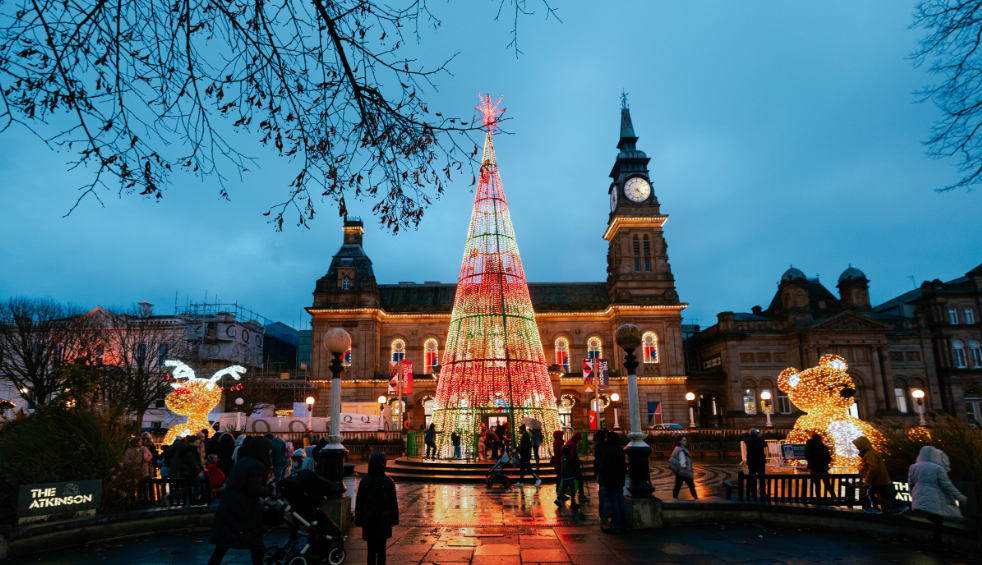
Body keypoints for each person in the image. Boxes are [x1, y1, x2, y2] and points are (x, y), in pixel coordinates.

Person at [207, 436, 274, 565]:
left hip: (229, 505)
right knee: (255, 542)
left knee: (222, 545)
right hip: (245, 509)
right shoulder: (257, 465)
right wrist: (270, 489)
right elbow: (254, 489)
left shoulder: (244, 461)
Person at [908, 446, 968, 551]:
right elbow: (947, 485)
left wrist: (913, 496)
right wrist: (960, 497)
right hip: (934, 496)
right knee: (938, 520)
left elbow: (910, 484)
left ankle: (936, 542)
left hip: (918, 494)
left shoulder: (913, 467)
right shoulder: (937, 468)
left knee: (936, 518)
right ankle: (937, 543)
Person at [356, 452, 400, 565]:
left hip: (368, 519)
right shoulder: (388, 481)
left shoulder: (364, 481)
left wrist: (359, 520)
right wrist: (394, 520)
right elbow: (393, 503)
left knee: (370, 550)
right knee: (381, 550)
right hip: (383, 519)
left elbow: (359, 503)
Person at [853, 436, 909, 515]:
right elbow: (871, 465)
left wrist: (868, 478)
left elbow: (873, 468)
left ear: (862, 445)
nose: (857, 447)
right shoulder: (871, 453)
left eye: (857, 446)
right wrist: (863, 470)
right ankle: (900, 505)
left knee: (870, 491)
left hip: (877, 479)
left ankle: (876, 508)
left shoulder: (869, 454)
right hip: (881, 478)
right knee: (883, 493)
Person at [599, 431, 628, 533]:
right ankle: (624, 525)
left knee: (613, 502)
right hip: (620, 479)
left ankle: (614, 526)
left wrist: (600, 472)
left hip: (610, 479)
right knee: (621, 501)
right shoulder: (620, 450)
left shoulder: (608, 450)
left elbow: (606, 467)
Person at [172, 435, 205, 506]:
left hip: (186, 471)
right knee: (197, 486)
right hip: (190, 472)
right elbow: (193, 462)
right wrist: (198, 471)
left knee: (186, 488)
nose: (198, 445)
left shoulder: (187, 450)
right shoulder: (191, 451)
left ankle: (170, 497)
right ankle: (195, 500)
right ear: (191, 443)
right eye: (196, 443)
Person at [804, 433, 834, 501]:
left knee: (817, 485)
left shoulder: (808, 446)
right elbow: (829, 458)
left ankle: (818, 498)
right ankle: (833, 496)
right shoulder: (824, 447)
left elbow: (806, 457)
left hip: (813, 469)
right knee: (827, 484)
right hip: (823, 468)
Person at [669, 436, 698, 501]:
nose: (685, 441)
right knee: (691, 487)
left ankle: (675, 499)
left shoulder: (677, 448)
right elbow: (682, 462)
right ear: (680, 441)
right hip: (685, 472)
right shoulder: (681, 450)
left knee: (677, 486)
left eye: (685, 440)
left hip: (679, 472)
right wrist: (684, 468)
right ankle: (696, 499)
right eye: (684, 440)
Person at [742, 429, 767, 500]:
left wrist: (749, 434)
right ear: (756, 434)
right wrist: (760, 436)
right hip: (760, 460)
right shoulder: (760, 440)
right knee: (762, 476)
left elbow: (744, 437)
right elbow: (765, 445)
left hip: (751, 461)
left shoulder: (747, 440)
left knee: (752, 476)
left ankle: (752, 492)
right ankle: (763, 492)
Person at [555, 444, 580, 509]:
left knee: (563, 488)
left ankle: (558, 500)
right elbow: (574, 465)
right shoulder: (569, 457)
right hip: (570, 476)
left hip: (564, 476)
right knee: (573, 489)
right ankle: (573, 503)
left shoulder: (564, 457)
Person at [565, 432, 587, 499]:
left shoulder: (571, 443)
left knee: (576, 479)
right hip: (573, 466)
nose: (580, 441)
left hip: (573, 464)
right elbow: (572, 456)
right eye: (580, 440)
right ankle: (580, 495)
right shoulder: (572, 444)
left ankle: (576, 495)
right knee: (579, 479)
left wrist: (578, 459)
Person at [551, 430, 565, 499]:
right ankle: (561, 492)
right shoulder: (559, 442)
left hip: (557, 460)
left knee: (558, 476)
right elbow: (561, 452)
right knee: (561, 475)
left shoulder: (555, 441)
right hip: (560, 460)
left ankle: (558, 489)